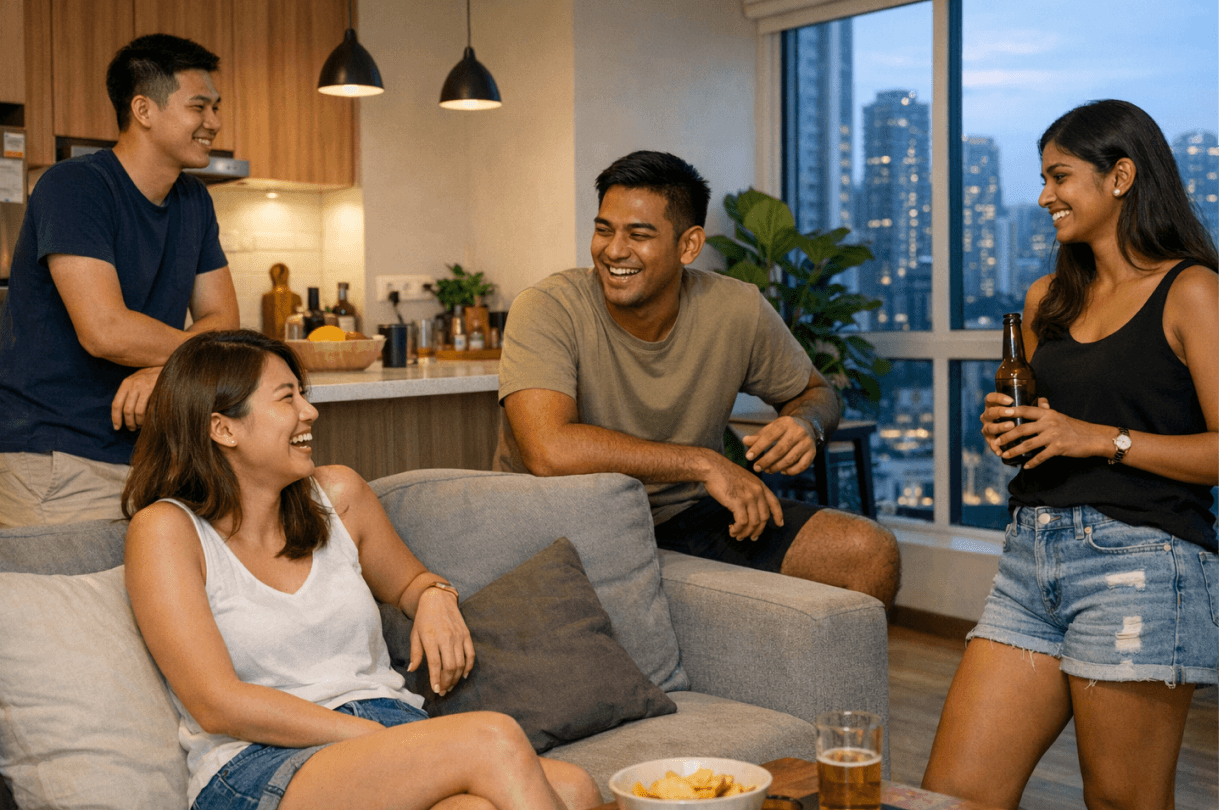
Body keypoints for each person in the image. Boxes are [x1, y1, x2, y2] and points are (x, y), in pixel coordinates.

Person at [122, 330, 600, 810]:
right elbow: (216, 701)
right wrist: (368, 736)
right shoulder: (166, 530)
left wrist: (435, 598)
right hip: (258, 757)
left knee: (573, 789)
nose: (309, 412)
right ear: (223, 428)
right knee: (492, 737)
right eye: (287, 398)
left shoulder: (338, 497)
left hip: (384, 730)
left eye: (303, 395)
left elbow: (413, 583)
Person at [922, 100, 1218, 810]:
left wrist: (1098, 438)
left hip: (1142, 566)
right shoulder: (1046, 296)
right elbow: (1036, 435)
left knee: (1121, 801)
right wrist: (1008, 431)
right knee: (949, 796)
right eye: (1041, 177)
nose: (1043, 195)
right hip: (1030, 562)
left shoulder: (1192, 291)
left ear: (1120, 176)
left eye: (1059, 176)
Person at [493, 150, 900, 608]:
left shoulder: (736, 308)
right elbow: (548, 449)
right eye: (604, 229)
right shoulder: (548, 307)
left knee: (870, 553)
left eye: (639, 234)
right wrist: (705, 464)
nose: (613, 250)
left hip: (682, 515)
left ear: (688, 245)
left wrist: (808, 424)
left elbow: (816, 392)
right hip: (562, 525)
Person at [0, 33, 240, 527]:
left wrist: (163, 372)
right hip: (55, 460)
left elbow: (223, 319)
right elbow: (105, 330)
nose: (214, 122)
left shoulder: (194, 201)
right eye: (199, 107)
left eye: (215, 107)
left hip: (150, 458)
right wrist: (190, 364)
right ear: (144, 110)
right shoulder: (75, 187)